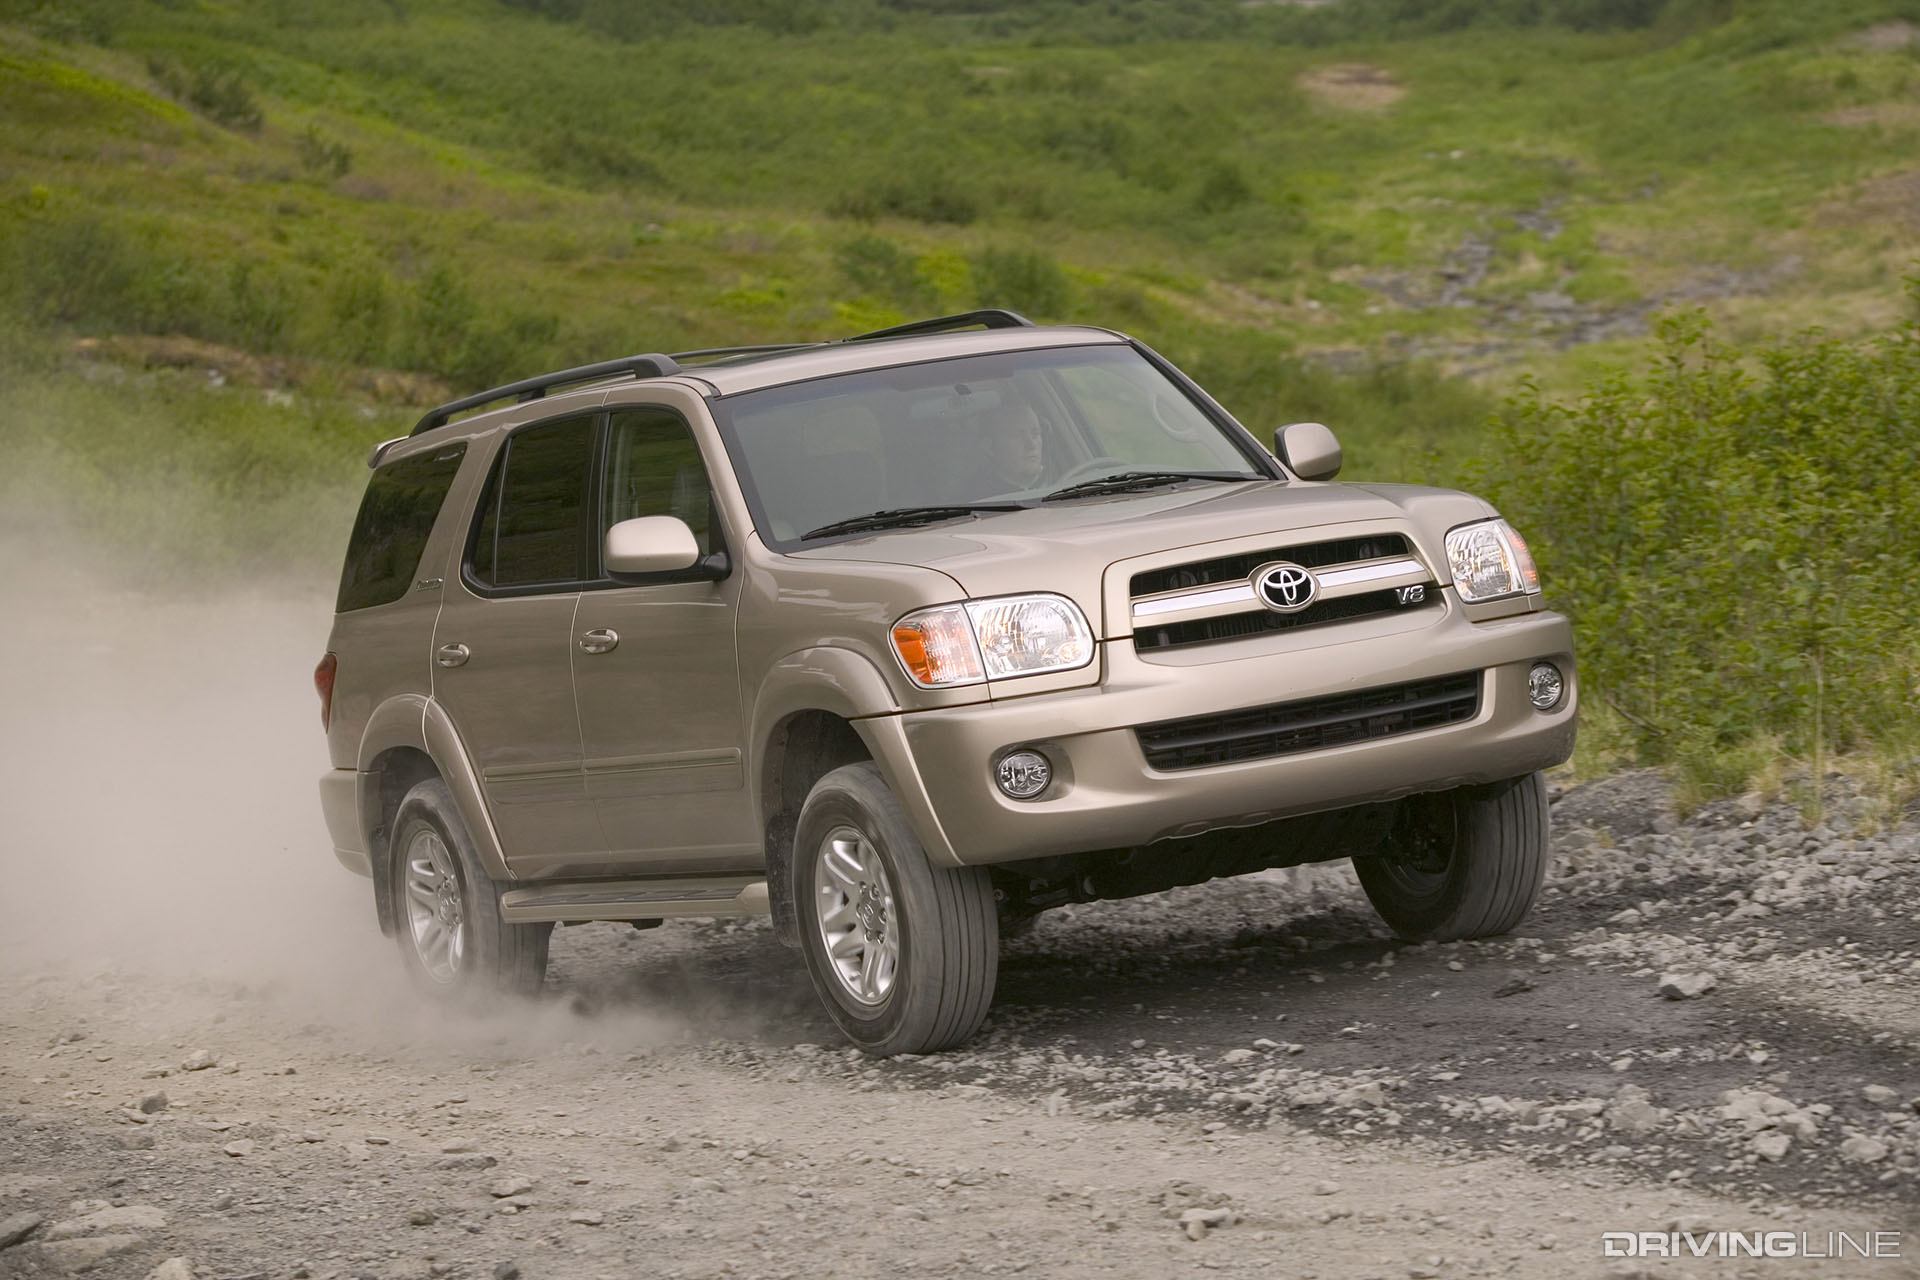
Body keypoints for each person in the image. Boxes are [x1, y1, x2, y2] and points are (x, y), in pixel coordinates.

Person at [974, 398, 1046, 494]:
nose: (1031, 445)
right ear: (989, 447)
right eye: (1017, 435)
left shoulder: (1062, 480)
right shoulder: (977, 497)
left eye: (1035, 433)